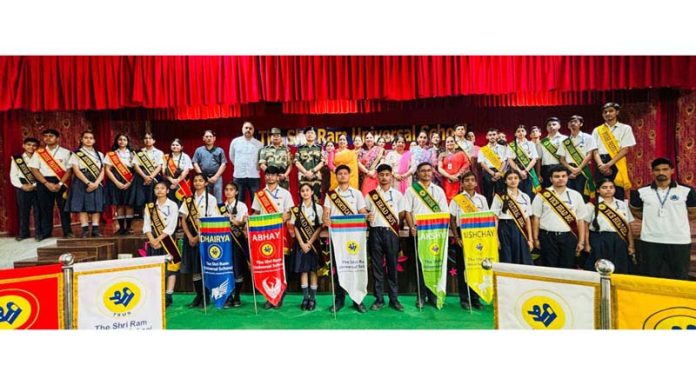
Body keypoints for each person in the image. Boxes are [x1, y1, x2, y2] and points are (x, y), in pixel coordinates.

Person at [630, 158, 696, 280]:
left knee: (680, 277)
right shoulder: (641, 192)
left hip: (679, 240)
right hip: (650, 240)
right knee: (650, 277)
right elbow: (635, 211)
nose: (661, 172)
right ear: (652, 172)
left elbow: (693, 212)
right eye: (657, 170)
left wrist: (676, 218)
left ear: (672, 171)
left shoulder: (687, 191)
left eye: (665, 169)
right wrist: (651, 218)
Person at [403, 162, 449, 309]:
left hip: (435, 233)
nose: (426, 173)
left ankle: (433, 295)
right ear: (418, 173)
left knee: (434, 263)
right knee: (420, 265)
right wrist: (411, 227)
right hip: (418, 231)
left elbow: (444, 213)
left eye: (429, 170)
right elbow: (407, 211)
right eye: (423, 171)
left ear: (432, 172)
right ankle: (421, 296)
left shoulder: (439, 191)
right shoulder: (411, 190)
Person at [323, 164, 369, 313]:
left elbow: (362, 212)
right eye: (340, 174)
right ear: (336, 177)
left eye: (345, 173)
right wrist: (326, 219)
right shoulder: (331, 195)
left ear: (349, 176)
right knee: (340, 268)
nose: (342, 176)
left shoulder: (357, 194)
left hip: (354, 237)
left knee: (355, 267)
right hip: (338, 237)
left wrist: (367, 216)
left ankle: (358, 300)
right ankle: (339, 300)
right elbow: (326, 213)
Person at [251, 165, 295, 309]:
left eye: (273, 175)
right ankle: (269, 296)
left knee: (281, 264)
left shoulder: (285, 193)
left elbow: (290, 213)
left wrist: (286, 216)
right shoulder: (260, 195)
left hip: (280, 233)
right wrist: (249, 221)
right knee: (268, 264)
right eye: (267, 174)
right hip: (264, 235)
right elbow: (256, 214)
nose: (270, 177)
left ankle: (281, 294)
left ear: (278, 177)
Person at [365, 163, 405, 311]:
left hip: (391, 233)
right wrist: (366, 217)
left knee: (392, 266)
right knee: (377, 268)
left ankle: (394, 299)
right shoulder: (371, 195)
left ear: (391, 175)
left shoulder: (397, 194)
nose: (384, 177)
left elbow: (401, 214)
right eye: (381, 174)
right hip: (375, 232)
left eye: (387, 174)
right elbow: (365, 213)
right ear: (377, 176)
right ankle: (379, 299)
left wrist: (392, 223)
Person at [531, 165, 587, 269]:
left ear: (567, 177)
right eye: (557, 176)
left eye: (563, 176)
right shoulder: (541, 195)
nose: (560, 179)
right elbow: (536, 218)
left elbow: (580, 220)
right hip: (547, 237)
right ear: (551, 179)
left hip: (569, 237)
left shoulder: (576, 195)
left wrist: (581, 241)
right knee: (549, 268)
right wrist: (535, 238)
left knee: (568, 268)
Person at [179, 173, 222, 308]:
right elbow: (184, 220)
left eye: (200, 180)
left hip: (205, 235)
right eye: (195, 180)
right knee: (194, 267)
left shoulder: (211, 199)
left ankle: (206, 295)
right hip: (190, 235)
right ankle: (198, 295)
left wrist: (198, 236)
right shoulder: (188, 199)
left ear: (205, 183)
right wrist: (190, 237)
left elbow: (211, 221)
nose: (197, 183)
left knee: (204, 266)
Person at [449, 171, 488, 309]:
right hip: (462, 234)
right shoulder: (457, 199)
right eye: (467, 180)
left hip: (478, 235)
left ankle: (476, 298)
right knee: (463, 268)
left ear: (476, 183)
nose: (470, 182)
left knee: (476, 267)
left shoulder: (482, 199)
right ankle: (464, 298)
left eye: (472, 180)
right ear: (462, 183)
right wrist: (457, 237)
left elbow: (486, 218)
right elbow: (452, 219)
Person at [29, 128, 74, 240]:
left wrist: (60, 183)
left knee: (64, 208)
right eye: (46, 136)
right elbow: (34, 169)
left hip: (62, 182)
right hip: (44, 182)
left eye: (51, 136)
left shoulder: (66, 152)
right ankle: (46, 232)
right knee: (45, 208)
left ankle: (67, 232)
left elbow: (69, 170)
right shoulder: (39, 153)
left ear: (57, 138)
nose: (48, 138)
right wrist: (46, 183)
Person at [584, 178, 635, 274]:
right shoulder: (591, 205)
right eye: (604, 187)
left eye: (611, 187)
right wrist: (586, 244)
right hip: (598, 239)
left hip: (619, 239)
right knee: (599, 268)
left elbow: (628, 226)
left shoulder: (622, 205)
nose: (608, 190)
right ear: (598, 190)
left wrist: (631, 245)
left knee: (619, 268)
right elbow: (585, 226)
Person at [143, 181, 180, 307]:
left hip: (168, 240)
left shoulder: (173, 205)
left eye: (162, 188)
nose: (159, 190)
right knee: (154, 267)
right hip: (153, 240)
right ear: (154, 191)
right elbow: (146, 226)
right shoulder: (149, 206)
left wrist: (158, 239)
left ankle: (168, 295)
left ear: (167, 191)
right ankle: (155, 294)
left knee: (171, 268)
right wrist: (152, 240)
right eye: (157, 188)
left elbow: (172, 226)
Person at [65, 130, 106, 238]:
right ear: (81, 140)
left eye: (91, 138)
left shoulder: (100, 154)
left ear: (94, 140)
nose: (88, 140)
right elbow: (76, 170)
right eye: (86, 138)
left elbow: (103, 170)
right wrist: (88, 182)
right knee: (82, 206)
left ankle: (96, 229)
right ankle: (85, 230)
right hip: (81, 181)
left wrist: (96, 183)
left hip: (97, 181)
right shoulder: (76, 154)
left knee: (96, 206)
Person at [290, 183, 324, 311]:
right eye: (302, 190)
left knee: (313, 271)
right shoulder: (296, 209)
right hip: (300, 244)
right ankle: (305, 298)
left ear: (311, 192)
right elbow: (295, 228)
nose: (305, 193)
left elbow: (320, 226)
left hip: (313, 244)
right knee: (303, 270)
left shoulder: (319, 208)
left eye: (307, 190)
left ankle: (313, 299)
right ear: (300, 193)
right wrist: (302, 243)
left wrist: (310, 242)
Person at [592, 102, 636, 201]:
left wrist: (609, 164)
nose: (608, 114)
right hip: (601, 162)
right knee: (601, 191)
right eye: (605, 112)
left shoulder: (625, 128)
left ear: (617, 112)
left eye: (611, 111)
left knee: (617, 191)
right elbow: (594, 150)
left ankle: (618, 215)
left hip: (617, 162)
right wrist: (600, 165)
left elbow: (625, 150)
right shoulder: (597, 130)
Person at [491, 170, 534, 265]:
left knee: (522, 259)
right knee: (507, 258)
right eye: (510, 178)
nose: (513, 181)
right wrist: (496, 238)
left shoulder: (525, 197)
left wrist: (530, 239)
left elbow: (527, 219)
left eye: (515, 178)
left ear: (519, 180)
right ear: (505, 181)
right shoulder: (499, 196)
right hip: (504, 228)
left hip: (520, 229)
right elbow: (495, 219)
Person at [218, 182, 249, 308]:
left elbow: (242, 223)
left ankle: (237, 295)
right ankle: (228, 296)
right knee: (226, 269)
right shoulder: (220, 207)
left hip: (238, 240)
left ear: (236, 192)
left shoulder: (241, 205)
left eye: (231, 189)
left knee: (238, 269)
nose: (228, 192)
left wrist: (231, 219)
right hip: (224, 241)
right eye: (226, 189)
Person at [557, 115, 597, 202]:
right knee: (569, 196)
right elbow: (562, 159)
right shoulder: (565, 141)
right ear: (568, 125)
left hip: (583, 169)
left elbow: (589, 155)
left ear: (581, 124)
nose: (573, 123)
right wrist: (571, 169)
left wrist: (578, 169)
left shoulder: (588, 138)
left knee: (582, 196)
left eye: (575, 121)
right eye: (571, 122)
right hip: (568, 170)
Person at [104, 133, 136, 235]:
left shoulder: (133, 154)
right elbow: (107, 170)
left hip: (130, 180)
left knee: (129, 205)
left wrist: (130, 182)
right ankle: (121, 228)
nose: (122, 141)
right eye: (120, 139)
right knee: (119, 204)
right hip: (116, 180)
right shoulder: (111, 154)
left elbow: (137, 170)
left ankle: (129, 227)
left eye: (124, 140)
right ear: (117, 141)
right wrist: (116, 182)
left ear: (128, 142)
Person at [10, 137, 40, 241]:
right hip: (22, 185)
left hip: (38, 185)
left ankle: (38, 233)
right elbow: (13, 175)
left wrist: (35, 185)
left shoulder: (40, 157)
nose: (31, 147)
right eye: (29, 144)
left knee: (38, 210)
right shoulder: (17, 159)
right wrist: (22, 186)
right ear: (24, 145)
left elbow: (43, 173)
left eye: (34, 145)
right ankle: (23, 233)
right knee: (23, 210)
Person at [228, 121, 264, 206]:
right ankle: (240, 219)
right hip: (239, 176)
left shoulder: (259, 144)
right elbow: (231, 157)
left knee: (256, 202)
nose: (248, 130)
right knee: (239, 201)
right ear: (242, 129)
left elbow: (261, 159)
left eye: (250, 128)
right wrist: (238, 166)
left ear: (253, 130)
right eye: (246, 128)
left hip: (254, 176)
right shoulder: (235, 142)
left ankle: (255, 219)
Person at [478, 128, 512, 205]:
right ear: (487, 137)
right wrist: (492, 173)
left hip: (500, 171)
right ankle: (489, 213)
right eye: (490, 135)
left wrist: (499, 173)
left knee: (501, 194)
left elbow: (504, 161)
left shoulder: (503, 148)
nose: (492, 136)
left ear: (497, 136)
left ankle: (501, 213)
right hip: (488, 172)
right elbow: (482, 163)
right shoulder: (483, 149)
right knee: (488, 194)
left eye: (494, 134)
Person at [192, 130, 227, 202]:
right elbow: (195, 163)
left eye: (211, 136)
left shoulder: (220, 150)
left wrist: (216, 177)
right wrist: (203, 176)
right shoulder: (199, 150)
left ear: (214, 138)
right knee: (204, 198)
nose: (209, 138)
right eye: (206, 136)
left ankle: (218, 213)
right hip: (203, 178)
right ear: (203, 138)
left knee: (218, 199)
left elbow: (223, 164)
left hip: (217, 177)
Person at [133, 132, 164, 210]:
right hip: (141, 177)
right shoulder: (139, 152)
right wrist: (145, 177)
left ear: (154, 141)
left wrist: (150, 177)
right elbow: (135, 166)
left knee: (153, 199)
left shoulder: (159, 152)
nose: (147, 140)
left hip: (154, 178)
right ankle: (145, 219)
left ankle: (154, 220)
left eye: (150, 138)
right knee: (142, 200)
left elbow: (159, 166)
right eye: (146, 138)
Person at [508, 125, 540, 197]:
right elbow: (510, 160)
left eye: (522, 131)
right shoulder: (511, 145)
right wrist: (519, 171)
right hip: (516, 171)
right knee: (517, 194)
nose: (520, 133)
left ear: (526, 133)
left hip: (529, 171)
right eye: (518, 131)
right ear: (515, 134)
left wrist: (525, 171)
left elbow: (534, 159)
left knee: (529, 193)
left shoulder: (531, 144)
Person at [294, 127, 324, 200]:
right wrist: (306, 172)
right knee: (303, 200)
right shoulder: (300, 148)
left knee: (316, 200)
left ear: (315, 135)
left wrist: (312, 171)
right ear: (305, 135)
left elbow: (322, 162)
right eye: (308, 133)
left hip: (316, 178)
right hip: (303, 178)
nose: (310, 134)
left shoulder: (320, 148)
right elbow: (297, 162)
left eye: (312, 133)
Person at [438, 136, 470, 202]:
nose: (450, 143)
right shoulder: (442, 155)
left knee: (461, 200)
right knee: (448, 200)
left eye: (452, 141)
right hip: (447, 181)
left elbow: (466, 164)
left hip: (459, 180)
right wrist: (450, 177)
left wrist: (458, 175)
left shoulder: (461, 153)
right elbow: (439, 168)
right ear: (445, 144)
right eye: (448, 142)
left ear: (455, 143)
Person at [538, 117, 568, 188]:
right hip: (546, 169)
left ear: (559, 126)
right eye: (549, 125)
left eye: (554, 124)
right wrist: (538, 174)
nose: (551, 126)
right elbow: (539, 159)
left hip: (562, 167)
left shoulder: (565, 139)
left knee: (562, 188)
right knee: (548, 191)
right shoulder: (542, 142)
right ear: (546, 127)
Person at [162, 138, 193, 206]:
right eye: (173, 145)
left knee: (182, 202)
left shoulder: (185, 157)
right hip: (169, 182)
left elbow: (186, 171)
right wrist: (172, 180)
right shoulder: (166, 157)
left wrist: (177, 181)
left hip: (183, 182)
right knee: (170, 202)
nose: (175, 146)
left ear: (181, 147)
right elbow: (164, 171)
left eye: (177, 145)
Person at [358, 132, 385, 196]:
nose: (369, 139)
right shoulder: (361, 151)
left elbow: (382, 161)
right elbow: (358, 163)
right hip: (364, 176)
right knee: (366, 195)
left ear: (374, 139)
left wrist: (374, 170)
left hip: (376, 175)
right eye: (367, 138)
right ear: (364, 140)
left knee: (377, 195)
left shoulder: (379, 149)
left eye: (371, 137)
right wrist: (367, 172)